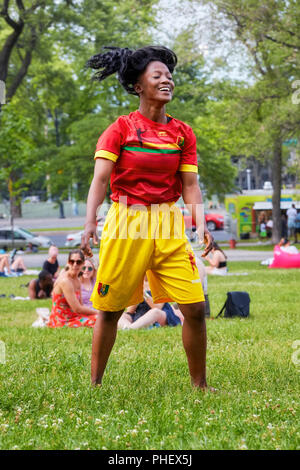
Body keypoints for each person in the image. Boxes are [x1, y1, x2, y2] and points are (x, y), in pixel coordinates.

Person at [81, 45, 213, 389]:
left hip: (169, 222)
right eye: (157, 76)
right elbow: (99, 180)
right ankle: (95, 384)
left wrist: (200, 222)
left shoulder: (183, 133)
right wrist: (89, 223)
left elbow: (190, 184)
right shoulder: (120, 129)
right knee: (110, 310)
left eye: (169, 76)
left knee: (195, 307)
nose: (166, 80)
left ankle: (199, 385)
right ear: (139, 85)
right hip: (127, 220)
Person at [47, 249, 98, 328]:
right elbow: (77, 309)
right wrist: (98, 313)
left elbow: (81, 305)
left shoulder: (76, 280)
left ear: (83, 264)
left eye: (78, 262)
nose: (75, 264)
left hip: (74, 317)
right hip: (62, 321)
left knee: (101, 319)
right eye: (72, 261)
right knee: (100, 319)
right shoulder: (65, 281)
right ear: (68, 262)